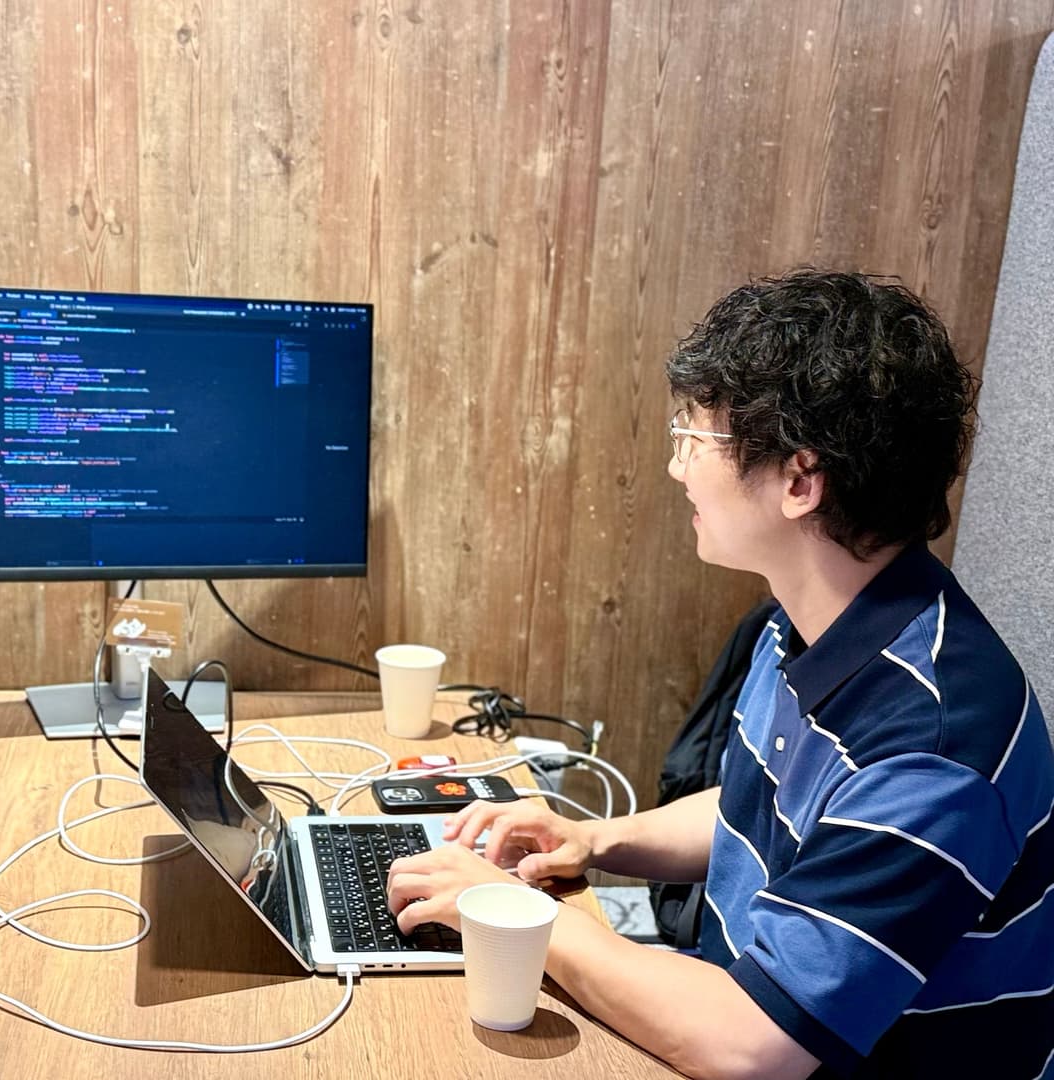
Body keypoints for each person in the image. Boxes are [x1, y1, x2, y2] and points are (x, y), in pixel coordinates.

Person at [385, 270, 1053, 1078]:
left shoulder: (933, 746)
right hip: (733, 1004)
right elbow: (761, 809)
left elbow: (754, 1046)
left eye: (693, 440)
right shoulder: (815, 619)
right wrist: (598, 838)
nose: (676, 469)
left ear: (800, 483)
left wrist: (517, 914)